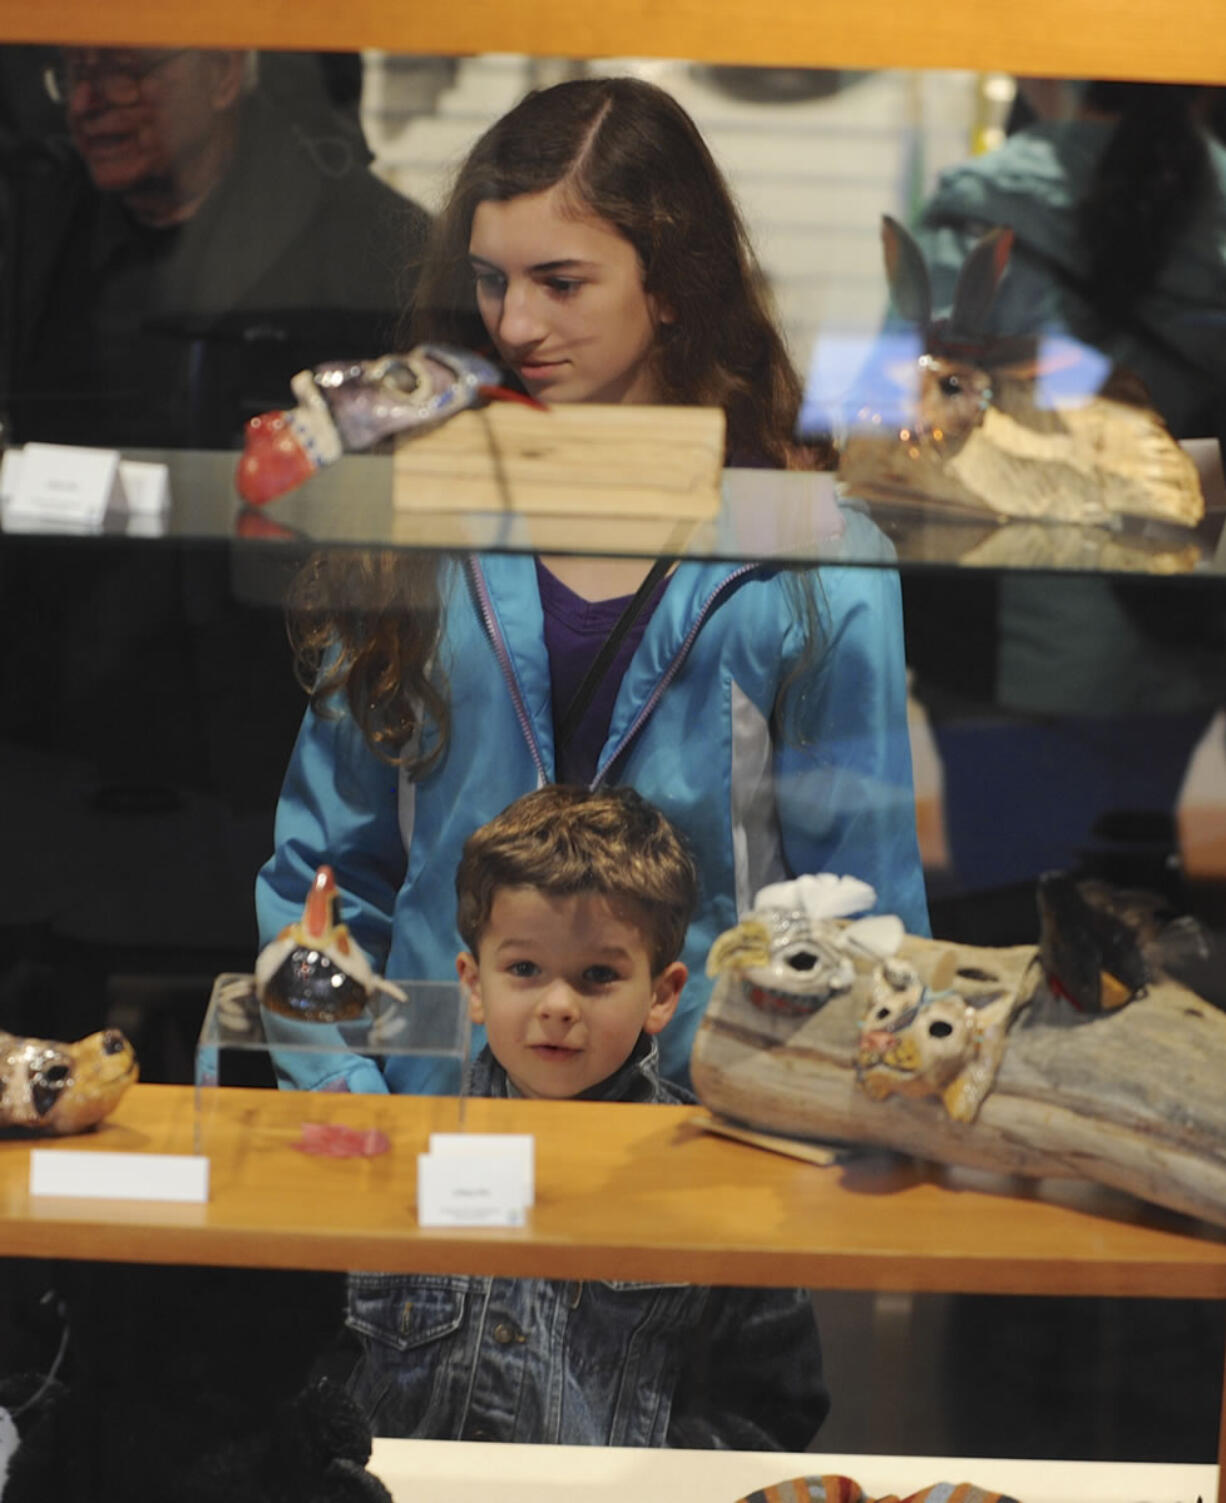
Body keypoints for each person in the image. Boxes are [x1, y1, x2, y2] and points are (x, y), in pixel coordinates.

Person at [256, 75, 929, 1095]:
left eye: (560, 283)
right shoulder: (415, 524)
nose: (515, 324)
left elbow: (868, 901)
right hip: (434, 1131)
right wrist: (354, 1108)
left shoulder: (805, 556)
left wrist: (821, 1141)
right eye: (489, 280)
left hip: (715, 1135)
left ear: (666, 285)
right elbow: (327, 877)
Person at [344, 783, 829, 1448]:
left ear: (662, 994)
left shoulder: (720, 1181)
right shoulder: (406, 1154)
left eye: (598, 974)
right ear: (472, 983)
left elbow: (770, 1402)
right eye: (524, 967)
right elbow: (326, 1364)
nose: (559, 1004)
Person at [898, 81, 1226, 917]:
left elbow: (908, 423)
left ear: (1049, 70)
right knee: (1137, 883)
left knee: (1006, 899)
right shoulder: (1215, 193)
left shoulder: (979, 203)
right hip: (1175, 628)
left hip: (995, 635)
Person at [2, 44, 430, 446]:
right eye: (74, 75)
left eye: (122, 74)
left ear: (222, 74)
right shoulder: (33, 228)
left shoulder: (378, 247)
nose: (84, 104)